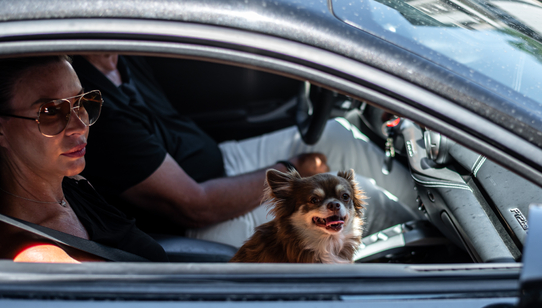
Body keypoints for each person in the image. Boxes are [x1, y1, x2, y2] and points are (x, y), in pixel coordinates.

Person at [73, 55, 421, 248]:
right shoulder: (97, 106)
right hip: (203, 220)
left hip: (221, 162)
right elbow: (194, 206)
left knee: (336, 133)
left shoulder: (119, 56)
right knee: (361, 203)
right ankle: (442, 252)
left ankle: (431, 207)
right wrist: (292, 171)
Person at [0, 56, 168, 263]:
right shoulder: (35, 254)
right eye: (50, 111)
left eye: (80, 102)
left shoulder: (76, 187)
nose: (79, 126)